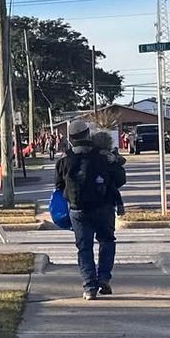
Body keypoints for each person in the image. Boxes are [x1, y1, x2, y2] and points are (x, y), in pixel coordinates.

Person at [56, 119, 125, 299]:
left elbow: (58, 185)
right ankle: (104, 278)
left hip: (77, 209)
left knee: (84, 248)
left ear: (70, 138)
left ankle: (89, 287)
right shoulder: (103, 155)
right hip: (104, 207)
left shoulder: (64, 159)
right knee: (107, 241)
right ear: (88, 134)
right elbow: (120, 180)